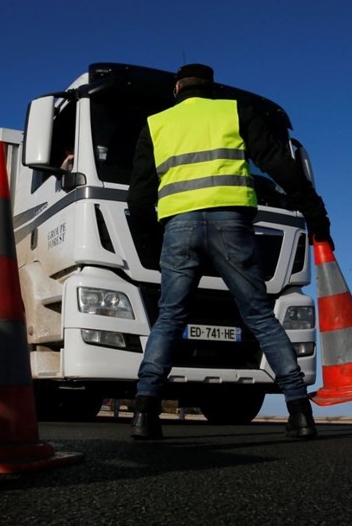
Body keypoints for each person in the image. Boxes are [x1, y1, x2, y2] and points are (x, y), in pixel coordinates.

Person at [127, 63, 333, 440]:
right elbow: (279, 165)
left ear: (177, 89)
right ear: (213, 88)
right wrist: (315, 214)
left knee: (170, 317)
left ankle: (144, 413)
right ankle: (300, 413)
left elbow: (139, 194)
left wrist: (148, 242)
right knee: (259, 315)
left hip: (179, 226)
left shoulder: (157, 124)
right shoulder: (234, 111)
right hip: (231, 224)